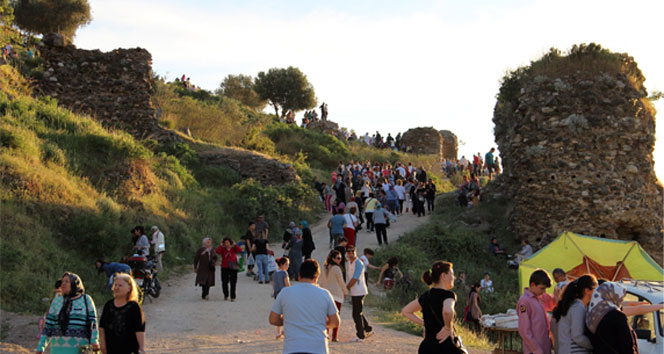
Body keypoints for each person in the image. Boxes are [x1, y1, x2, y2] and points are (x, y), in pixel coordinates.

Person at [269, 259, 340, 354]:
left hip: (292, 348)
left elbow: (273, 319)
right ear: (317, 277)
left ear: (299, 276)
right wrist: (318, 322)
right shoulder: (325, 294)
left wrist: (289, 320)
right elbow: (335, 322)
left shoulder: (285, 293)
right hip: (318, 348)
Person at [401, 261, 461, 353]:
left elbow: (406, 311)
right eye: (452, 274)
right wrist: (447, 327)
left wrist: (425, 323)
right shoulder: (449, 295)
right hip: (444, 346)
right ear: (443, 276)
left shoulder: (426, 296)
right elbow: (447, 311)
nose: (454, 277)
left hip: (427, 347)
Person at [36, 273, 99, 354]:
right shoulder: (57, 301)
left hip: (80, 349)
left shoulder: (86, 300)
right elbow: (48, 326)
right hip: (57, 349)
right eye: (62, 281)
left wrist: (94, 341)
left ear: (75, 284)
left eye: (67, 281)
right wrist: (41, 347)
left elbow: (93, 322)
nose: (63, 284)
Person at [586, 281, 639, 354]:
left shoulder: (592, 314)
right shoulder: (617, 316)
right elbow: (627, 345)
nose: (622, 300)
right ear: (613, 296)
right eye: (620, 297)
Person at [99, 273, 146, 354]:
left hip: (129, 349)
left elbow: (139, 329)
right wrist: (102, 345)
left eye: (120, 285)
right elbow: (102, 327)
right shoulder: (108, 305)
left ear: (129, 288)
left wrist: (141, 349)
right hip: (110, 348)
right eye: (115, 285)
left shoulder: (134, 307)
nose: (116, 288)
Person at [551, 274, 597, 354]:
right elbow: (577, 336)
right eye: (596, 289)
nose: (597, 292)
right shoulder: (577, 307)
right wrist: (595, 345)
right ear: (587, 291)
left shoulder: (574, 305)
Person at [516, 269, 556, 354]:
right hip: (534, 350)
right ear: (533, 285)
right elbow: (524, 330)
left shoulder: (540, 297)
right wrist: (536, 350)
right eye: (542, 288)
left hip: (544, 346)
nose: (544, 291)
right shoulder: (524, 301)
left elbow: (554, 301)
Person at [345, 246, 372, 342]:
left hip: (359, 291)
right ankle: (367, 328)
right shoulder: (349, 262)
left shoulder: (359, 263)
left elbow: (355, 278)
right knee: (358, 311)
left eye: (352, 251)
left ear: (355, 252)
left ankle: (360, 336)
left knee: (356, 314)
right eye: (348, 252)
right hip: (355, 291)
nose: (350, 253)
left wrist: (346, 288)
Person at [319, 250, 347, 342]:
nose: (339, 260)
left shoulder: (324, 267)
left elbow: (322, 281)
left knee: (326, 316)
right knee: (336, 316)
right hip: (336, 295)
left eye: (340, 258)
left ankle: (326, 334)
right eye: (338, 258)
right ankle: (334, 336)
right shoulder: (336, 268)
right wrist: (345, 291)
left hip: (326, 294)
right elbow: (341, 282)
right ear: (333, 258)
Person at [272, 257, 290, 340]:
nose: (287, 266)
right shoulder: (284, 273)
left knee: (279, 313)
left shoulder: (275, 273)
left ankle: (278, 332)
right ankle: (285, 330)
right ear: (282, 264)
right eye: (286, 264)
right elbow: (287, 285)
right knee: (286, 313)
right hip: (284, 294)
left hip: (277, 294)